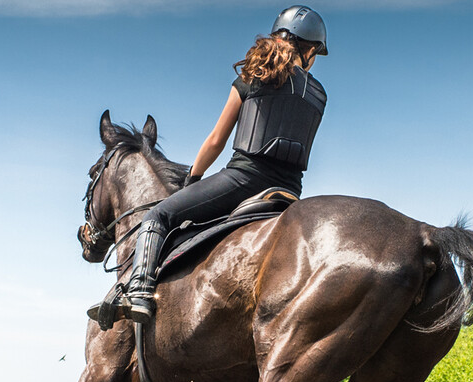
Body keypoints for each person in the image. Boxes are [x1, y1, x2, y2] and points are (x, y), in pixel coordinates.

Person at [92, 5, 328, 327]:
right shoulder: (319, 94)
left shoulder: (254, 76)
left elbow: (216, 140)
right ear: (310, 49)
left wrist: (193, 177)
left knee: (157, 215)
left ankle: (139, 292)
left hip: (244, 180)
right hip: (290, 193)